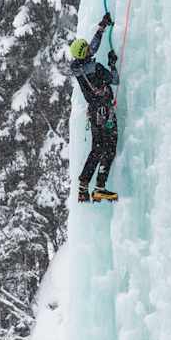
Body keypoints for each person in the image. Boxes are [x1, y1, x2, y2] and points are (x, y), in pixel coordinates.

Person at [68, 13, 120, 202]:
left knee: (97, 149)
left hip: (94, 112)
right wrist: (112, 64)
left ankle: (83, 188)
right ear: (85, 54)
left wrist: (101, 28)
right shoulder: (97, 69)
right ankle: (99, 187)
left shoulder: (78, 67)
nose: (91, 50)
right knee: (110, 148)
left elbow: (90, 48)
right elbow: (115, 80)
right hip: (105, 112)